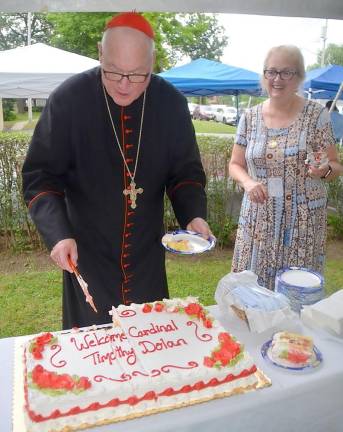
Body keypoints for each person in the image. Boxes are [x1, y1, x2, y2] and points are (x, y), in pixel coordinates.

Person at [22, 12, 211, 329]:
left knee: (149, 349)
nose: (125, 85)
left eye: (138, 75)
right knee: (93, 355)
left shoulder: (171, 104)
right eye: (113, 72)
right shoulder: (68, 100)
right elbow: (40, 176)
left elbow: (185, 174)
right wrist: (58, 234)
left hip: (146, 258)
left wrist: (193, 215)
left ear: (153, 64)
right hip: (86, 255)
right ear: (100, 53)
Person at [229, 45, 343, 290]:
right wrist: (248, 182)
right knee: (252, 295)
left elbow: (335, 166)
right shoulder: (249, 118)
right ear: (264, 75)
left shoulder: (316, 116)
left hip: (302, 222)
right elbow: (235, 164)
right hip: (259, 219)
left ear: (299, 77)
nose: (277, 79)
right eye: (271, 72)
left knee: (294, 295)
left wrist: (323, 170)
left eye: (286, 72)